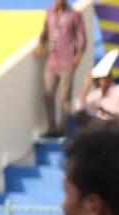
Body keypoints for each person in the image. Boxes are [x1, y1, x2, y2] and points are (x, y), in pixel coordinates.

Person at [36, 0, 86, 139]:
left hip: (67, 60)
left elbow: (81, 36)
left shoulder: (74, 15)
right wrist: (40, 44)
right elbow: (45, 30)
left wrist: (78, 55)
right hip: (52, 60)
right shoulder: (50, 13)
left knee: (65, 96)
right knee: (48, 94)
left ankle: (62, 128)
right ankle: (51, 127)